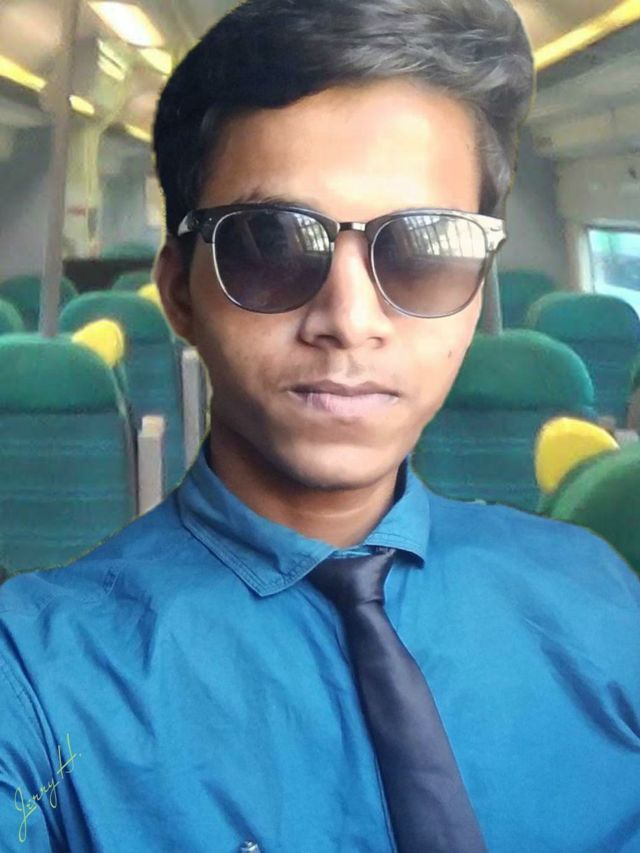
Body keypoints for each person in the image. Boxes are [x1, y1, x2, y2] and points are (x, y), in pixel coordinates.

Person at [1, 0, 639, 850]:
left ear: (476, 289)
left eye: (425, 247)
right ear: (180, 291)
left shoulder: (600, 597)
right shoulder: (34, 677)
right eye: (269, 243)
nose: (349, 320)